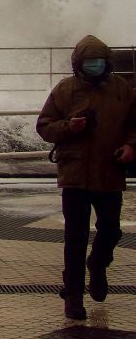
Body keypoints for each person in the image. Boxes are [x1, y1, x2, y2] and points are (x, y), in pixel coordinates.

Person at [36, 34, 136, 321]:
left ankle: (98, 264)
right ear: (78, 64)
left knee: (111, 231)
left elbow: (134, 124)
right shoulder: (65, 90)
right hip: (75, 175)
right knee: (75, 238)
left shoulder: (121, 89)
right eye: (90, 62)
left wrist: (131, 146)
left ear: (108, 63)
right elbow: (44, 126)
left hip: (109, 172)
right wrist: (70, 127)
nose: (95, 66)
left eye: (100, 62)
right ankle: (74, 295)